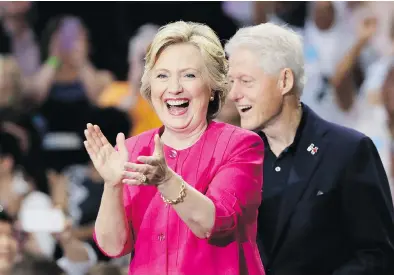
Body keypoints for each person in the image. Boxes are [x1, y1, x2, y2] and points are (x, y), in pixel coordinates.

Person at [84, 21, 265, 275]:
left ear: (213, 87)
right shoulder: (133, 149)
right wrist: (112, 185)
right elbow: (113, 246)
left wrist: (166, 180)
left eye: (189, 75)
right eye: (162, 75)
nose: (174, 87)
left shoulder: (240, 146)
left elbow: (216, 223)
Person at [225, 22, 394, 275]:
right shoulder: (237, 158)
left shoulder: (349, 151)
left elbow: (378, 256)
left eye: (246, 81)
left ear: (284, 80)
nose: (234, 94)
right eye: (231, 82)